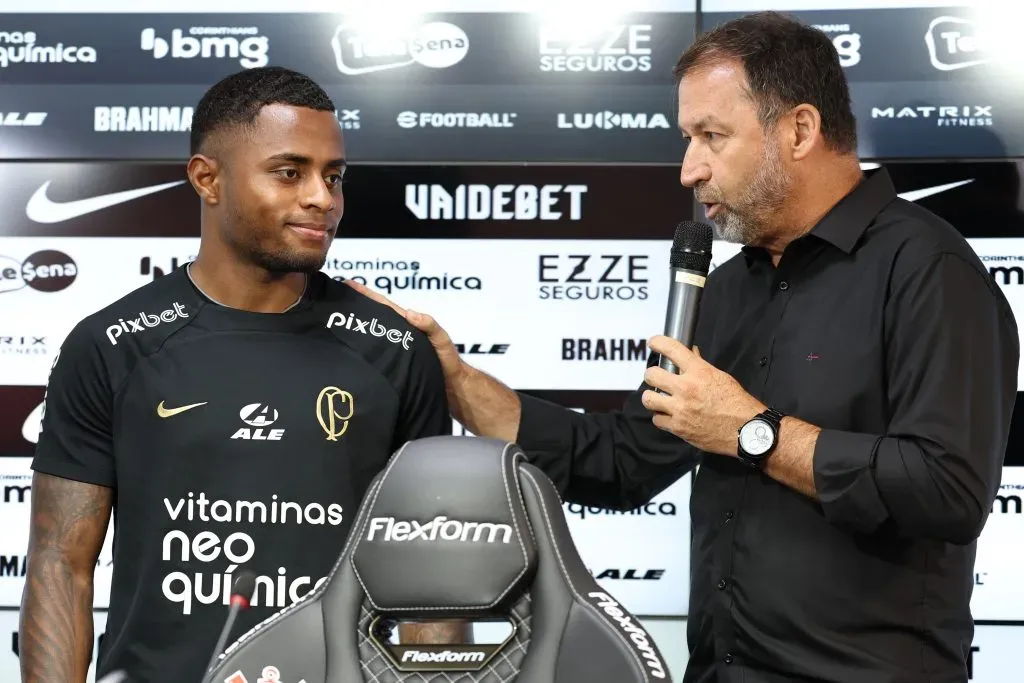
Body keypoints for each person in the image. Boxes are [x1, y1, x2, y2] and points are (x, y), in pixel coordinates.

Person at [348, 11, 1020, 683]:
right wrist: (454, 377)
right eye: (686, 137)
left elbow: (947, 489)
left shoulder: (930, 271)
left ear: (800, 130)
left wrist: (754, 432)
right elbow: (624, 460)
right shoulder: (727, 290)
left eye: (711, 136)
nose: (687, 169)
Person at [19, 66, 463, 683]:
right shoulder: (112, 346)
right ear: (208, 179)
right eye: (290, 172)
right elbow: (60, 561)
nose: (322, 199)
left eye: (333, 177)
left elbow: (427, 575)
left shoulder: (394, 351)